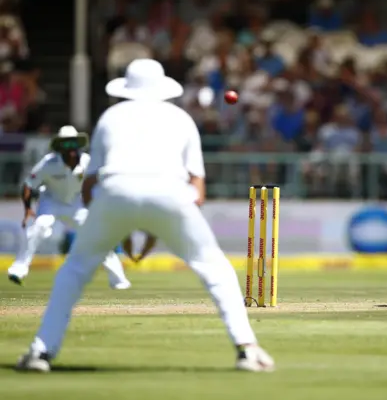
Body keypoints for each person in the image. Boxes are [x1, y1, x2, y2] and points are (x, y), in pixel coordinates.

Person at [15, 59, 275, 373]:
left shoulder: (110, 117)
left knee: (75, 269)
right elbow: (198, 189)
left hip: (113, 192)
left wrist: (115, 219)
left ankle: (40, 352)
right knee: (214, 267)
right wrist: (169, 219)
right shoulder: (181, 118)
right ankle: (247, 349)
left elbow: (90, 185)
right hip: (172, 192)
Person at [7, 126, 131, 290]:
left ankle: (118, 280)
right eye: (66, 145)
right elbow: (29, 184)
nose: (71, 149)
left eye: (73, 145)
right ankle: (19, 269)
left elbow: (101, 182)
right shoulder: (48, 163)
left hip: (76, 204)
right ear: (59, 147)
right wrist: (28, 208)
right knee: (39, 226)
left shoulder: (87, 162)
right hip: (50, 201)